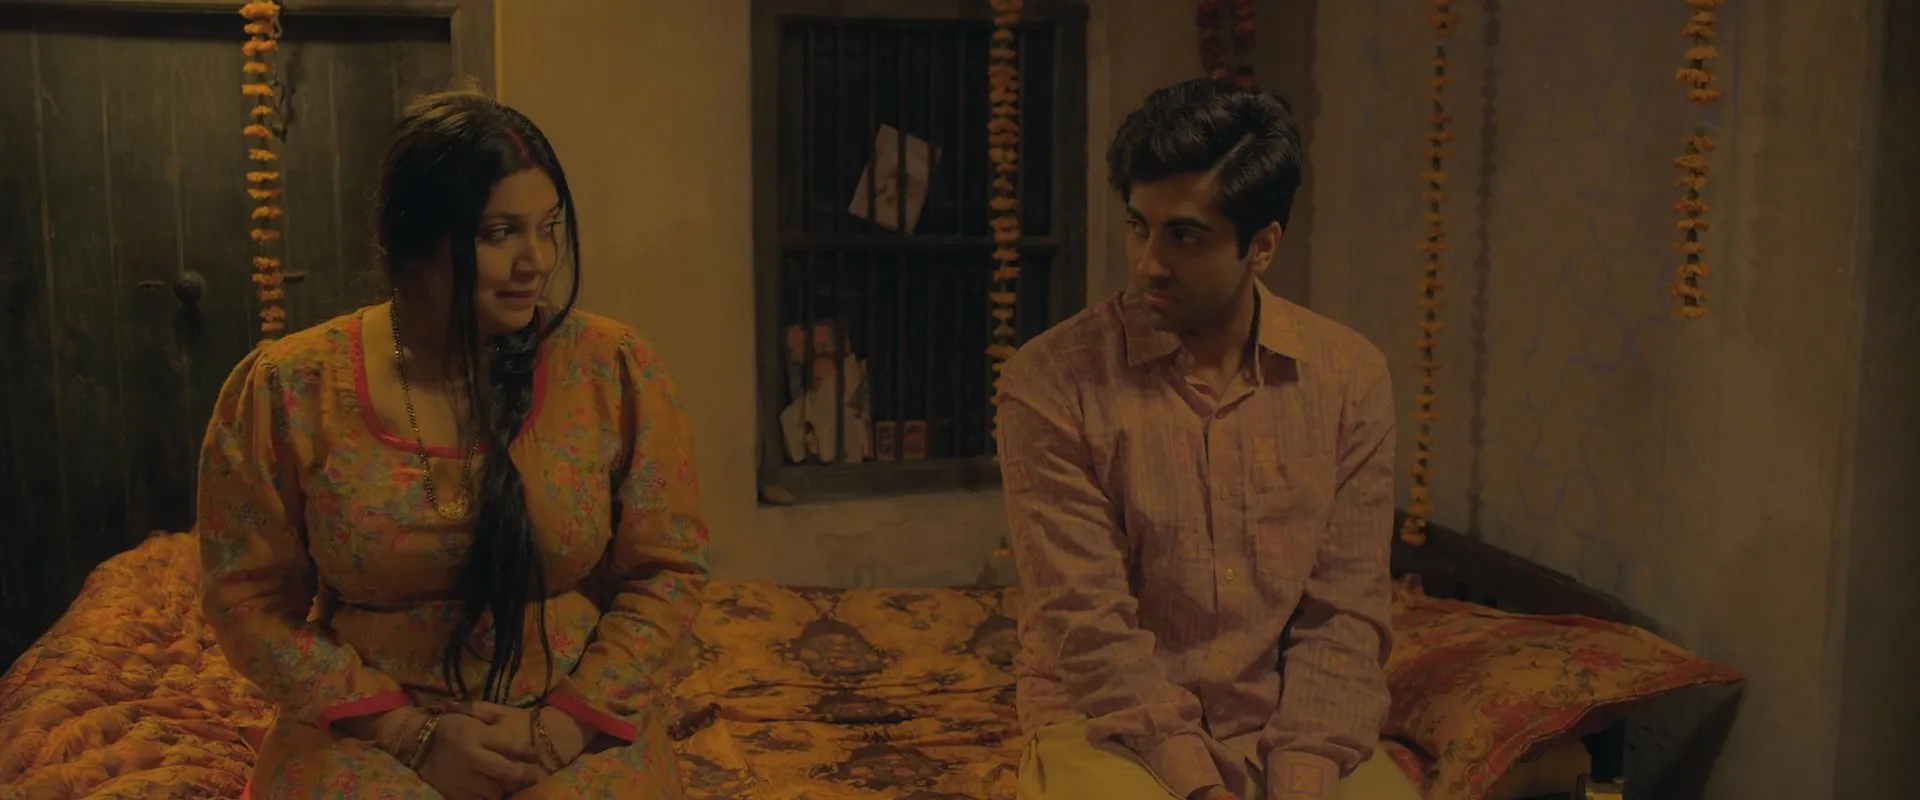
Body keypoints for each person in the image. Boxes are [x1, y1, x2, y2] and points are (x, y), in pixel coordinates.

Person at [197, 91, 709, 800]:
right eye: (500, 233)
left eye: (549, 228)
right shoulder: (291, 389)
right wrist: (408, 734)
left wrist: (560, 729)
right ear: (415, 242)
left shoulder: (611, 368)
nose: (538, 261)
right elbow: (248, 600)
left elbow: (668, 570)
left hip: (570, 719)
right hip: (367, 725)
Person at [997, 78, 1418, 800]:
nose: (1148, 264)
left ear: (1263, 246)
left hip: (1283, 722)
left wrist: (1305, 772)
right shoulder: (1051, 381)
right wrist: (1199, 787)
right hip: (1109, 724)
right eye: (1139, 226)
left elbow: (1344, 615)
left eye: (1185, 236)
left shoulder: (1349, 378)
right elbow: (1087, 625)